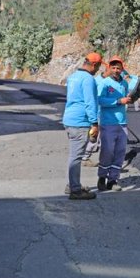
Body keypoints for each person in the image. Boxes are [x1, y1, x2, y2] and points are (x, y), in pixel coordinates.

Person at [62, 52, 103, 200]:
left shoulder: (73, 76)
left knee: (74, 155)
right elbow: (90, 102)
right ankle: (75, 190)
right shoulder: (88, 79)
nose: (98, 70)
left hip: (69, 118)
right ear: (93, 65)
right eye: (98, 66)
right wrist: (94, 123)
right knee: (76, 156)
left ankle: (72, 184)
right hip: (80, 121)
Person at [96, 56, 131, 192]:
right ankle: (102, 178)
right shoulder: (105, 83)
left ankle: (113, 180)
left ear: (122, 69)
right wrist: (118, 101)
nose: (116, 70)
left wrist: (129, 100)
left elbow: (125, 99)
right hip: (108, 123)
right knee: (107, 151)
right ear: (109, 68)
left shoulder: (124, 84)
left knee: (120, 152)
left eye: (118, 68)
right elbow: (100, 101)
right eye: (113, 68)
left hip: (122, 123)